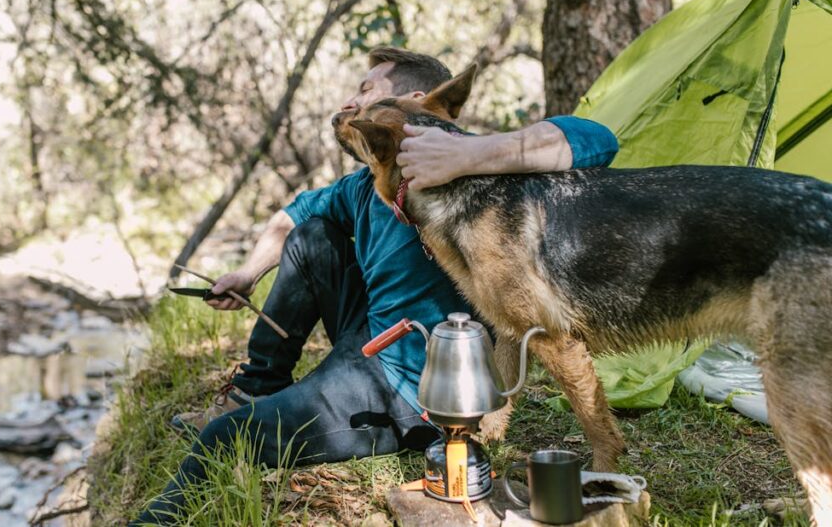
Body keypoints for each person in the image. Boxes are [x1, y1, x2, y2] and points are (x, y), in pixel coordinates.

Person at [132, 47, 618, 525]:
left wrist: (470, 152)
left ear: (415, 101)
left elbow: (597, 139)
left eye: (365, 92)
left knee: (221, 438)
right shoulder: (366, 183)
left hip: (413, 385)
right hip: (365, 335)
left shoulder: (474, 172)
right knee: (311, 237)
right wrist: (247, 274)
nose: (348, 104)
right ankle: (257, 387)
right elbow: (289, 219)